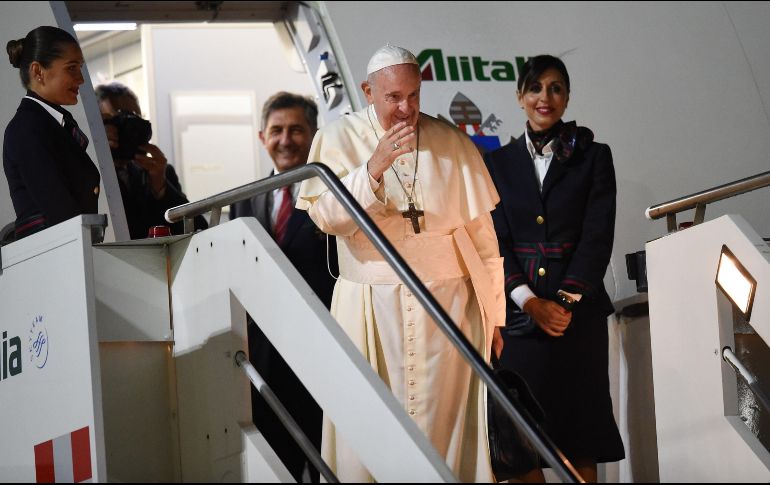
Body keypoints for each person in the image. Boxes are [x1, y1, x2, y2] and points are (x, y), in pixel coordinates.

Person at [297, 44, 505, 482]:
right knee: (368, 427)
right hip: (368, 306)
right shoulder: (338, 139)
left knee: (446, 432)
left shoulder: (450, 141)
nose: (406, 108)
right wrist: (373, 168)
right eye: (393, 98)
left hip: (449, 306)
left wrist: (496, 317)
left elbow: (484, 240)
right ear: (368, 90)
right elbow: (327, 218)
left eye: (413, 96)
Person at [483, 55, 625, 482]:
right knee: (517, 444)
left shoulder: (594, 156)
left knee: (578, 437)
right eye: (536, 88)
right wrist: (529, 302)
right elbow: (496, 242)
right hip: (518, 322)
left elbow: (597, 236)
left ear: (567, 97)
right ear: (520, 96)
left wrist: (563, 301)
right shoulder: (496, 163)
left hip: (576, 320)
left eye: (556, 88)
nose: (546, 97)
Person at [230, 92, 335, 482]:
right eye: (277, 130)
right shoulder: (243, 199)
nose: (286, 139)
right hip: (265, 366)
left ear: (314, 134)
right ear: (262, 137)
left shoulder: (334, 194)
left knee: (330, 464)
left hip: (321, 358)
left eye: (296, 129)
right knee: (276, 468)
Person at [4, 26, 99, 240]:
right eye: (71, 68)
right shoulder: (27, 128)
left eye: (80, 67)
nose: (81, 79)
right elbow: (60, 213)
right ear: (38, 72)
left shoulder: (50, 124)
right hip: (53, 259)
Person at [95, 82, 207, 239]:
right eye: (120, 119)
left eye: (135, 119)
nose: (130, 126)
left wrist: (160, 189)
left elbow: (198, 230)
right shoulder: (90, 174)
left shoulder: (160, 172)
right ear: (100, 125)